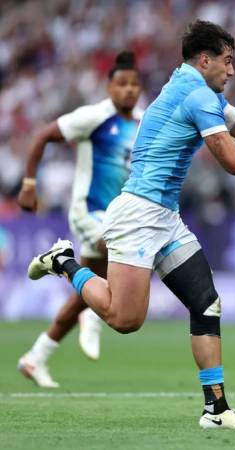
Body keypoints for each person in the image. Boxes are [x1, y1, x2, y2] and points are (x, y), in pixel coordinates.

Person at [26, 20, 235, 429]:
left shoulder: (199, 90)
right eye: (227, 61)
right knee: (125, 320)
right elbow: (233, 161)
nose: (232, 70)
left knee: (206, 303)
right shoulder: (197, 94)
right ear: (205, 60)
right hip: (138, 215)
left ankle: (215, 411)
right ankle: (64, 261)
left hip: (164, 217)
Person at [17, 51, 143, 388]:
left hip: (119, 216)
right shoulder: (94, 117)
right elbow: (43, 135)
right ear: (109, 86)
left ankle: (35, 357)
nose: (129, 90)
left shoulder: (144, 123)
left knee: (85, 291)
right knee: (119, 256)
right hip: (89, 211)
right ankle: (89, 311)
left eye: (134, 84)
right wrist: (29, 184)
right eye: (122, 84)